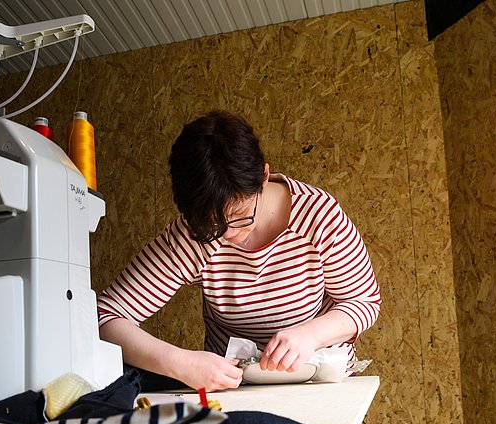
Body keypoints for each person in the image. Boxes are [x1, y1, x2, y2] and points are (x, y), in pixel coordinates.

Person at [97, 111, 380, 391]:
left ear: (264, 177)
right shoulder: (194, 235)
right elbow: (105, 316)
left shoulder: (319, 216)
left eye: (242, 215)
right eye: (214, 225)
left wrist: (311, 335)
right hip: (235, 388)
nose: (229, 234)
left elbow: (365, 302)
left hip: (318, 379)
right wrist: (179, 363)